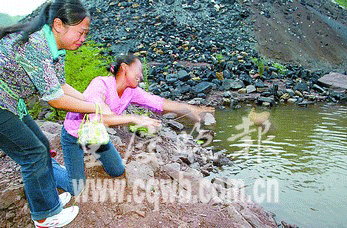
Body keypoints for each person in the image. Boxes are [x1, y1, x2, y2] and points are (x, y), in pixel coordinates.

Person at [0, 0, 113, 227]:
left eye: (85, 33)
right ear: (59, 25)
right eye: (80, 32)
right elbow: (56, 100)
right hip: (2, 103)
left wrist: (91, 100)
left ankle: (47, 195)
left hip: (10, 102)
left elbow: (60, 85)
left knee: (42, 146)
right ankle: (44, 215)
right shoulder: (37, 45)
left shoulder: (55, 49)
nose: (83, 38)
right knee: (32, 154)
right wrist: (96, 108)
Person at [61, 53, 215, 196]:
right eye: (139, 71)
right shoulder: (100, 85)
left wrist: (190, 109)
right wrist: (135, 118)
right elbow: (100, 118)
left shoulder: (131, 91)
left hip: (96, 136)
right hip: (75, 135)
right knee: (76, 188)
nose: (141, 76)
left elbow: (158, 102)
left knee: (117, 170)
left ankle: (76, 164)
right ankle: (52, 167)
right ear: (124, 68)